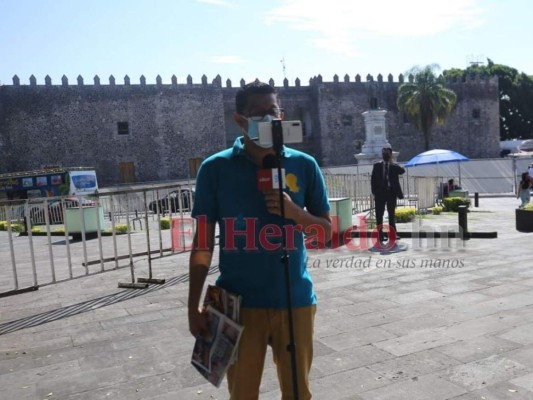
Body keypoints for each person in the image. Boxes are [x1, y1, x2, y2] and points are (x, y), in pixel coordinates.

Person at [187, 80, 332, 399]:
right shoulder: (215, 169)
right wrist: (193, 305)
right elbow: (202, 244)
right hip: (236, 305)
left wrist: (295, 213)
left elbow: (326, 230)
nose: (268, 120)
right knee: (242, 393)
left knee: (298, 393)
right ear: (239, 120)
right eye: (258, 113)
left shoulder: (303, 165)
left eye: (273, 111)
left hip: (295, 300)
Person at [371, 147, 405, 244]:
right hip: (380, 194)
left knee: (391, 215)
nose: (386, 155)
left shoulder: (393, 166)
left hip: (391, 193)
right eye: (384, 153)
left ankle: (393, 234)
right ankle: (380, 235)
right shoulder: (377, 166)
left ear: (390, 155)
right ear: (382, 155)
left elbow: (402, 171)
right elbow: (373, 180)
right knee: (379, 215)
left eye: (388, 154)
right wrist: (375, 193)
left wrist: (392, 162)